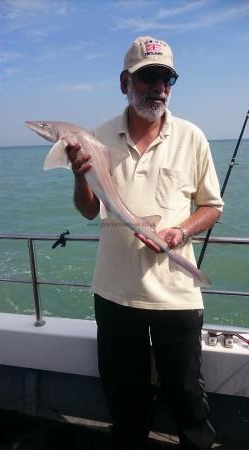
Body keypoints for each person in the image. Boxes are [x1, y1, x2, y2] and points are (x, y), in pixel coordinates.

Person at [67, 36, 224, 450]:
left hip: (176, 296)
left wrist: (181, 231)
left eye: (166, 78)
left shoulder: (193, 138)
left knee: (188, 398)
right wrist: (80, 176)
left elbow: (212, 207)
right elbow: (87, 211)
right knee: (124, 403)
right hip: (115, 293)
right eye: (148, 76)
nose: (158, 87)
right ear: (124, 81)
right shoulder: (95, 137)